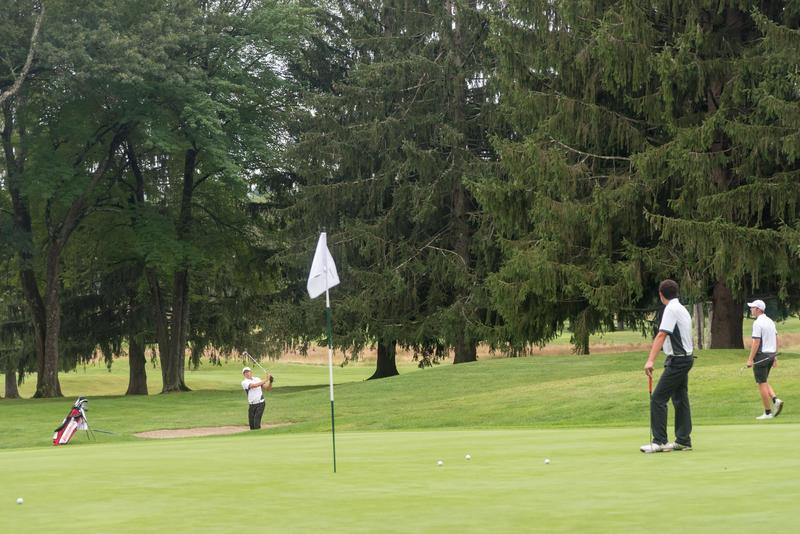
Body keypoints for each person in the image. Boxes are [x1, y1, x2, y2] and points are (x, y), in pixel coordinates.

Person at [640, 279, 694, 453]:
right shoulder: (681, 308)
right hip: (684, 359)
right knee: (680, 398)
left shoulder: (671, 309)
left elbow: (662, 334)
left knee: (658, 398)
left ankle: (660, 441)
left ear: (661, 294)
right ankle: (683, 440)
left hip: (678, 361)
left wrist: (650, 360)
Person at [745, 299, 783, 420]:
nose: (751, 309)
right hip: (770, 355)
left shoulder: (757, 323)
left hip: (761, 356)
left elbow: (756, 342)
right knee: (764, 380)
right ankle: (775, 399)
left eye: (752, 308)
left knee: (761, 383)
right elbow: (776, 338)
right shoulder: (770, 321)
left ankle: (767, 413)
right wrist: (775, 356)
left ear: (758, 309)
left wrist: (750, 359)